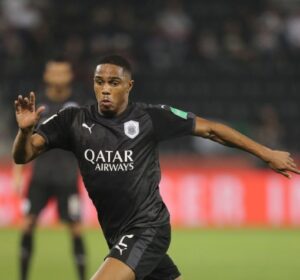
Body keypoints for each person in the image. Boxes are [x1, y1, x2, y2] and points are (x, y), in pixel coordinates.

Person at [12, 55, 300, 280]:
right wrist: (24, 132)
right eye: (99, 82)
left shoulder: (151, 118)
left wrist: (265, 152)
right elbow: (23, 156)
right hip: (117, 233)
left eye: (114, 82)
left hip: (148, 228)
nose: (105, 89)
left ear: (129, 86)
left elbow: (211, 129)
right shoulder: (72, 120)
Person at [13, 57, 86, 280]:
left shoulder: (79, 105)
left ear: (69, 76)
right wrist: (18, 174)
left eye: (62, 72)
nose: (58, 77)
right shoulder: (36, 105)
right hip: (40, 177)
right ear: (46, 76)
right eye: (53, 72)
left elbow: (87, 143)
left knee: (75, 228)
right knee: (27, 224)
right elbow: (23, 139)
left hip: (67, 177)